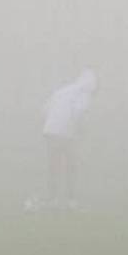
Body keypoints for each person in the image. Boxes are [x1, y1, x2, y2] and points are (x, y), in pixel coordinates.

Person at [39, 69, 97, 210]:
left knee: (54, 166)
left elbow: (44, 110)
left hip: (50, 131)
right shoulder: (84, 94)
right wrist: (82, 130)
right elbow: (78, 112)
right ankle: (71, 199)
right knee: (71, 166)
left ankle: (52, 198)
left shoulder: (62, 91)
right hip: (66, 133)